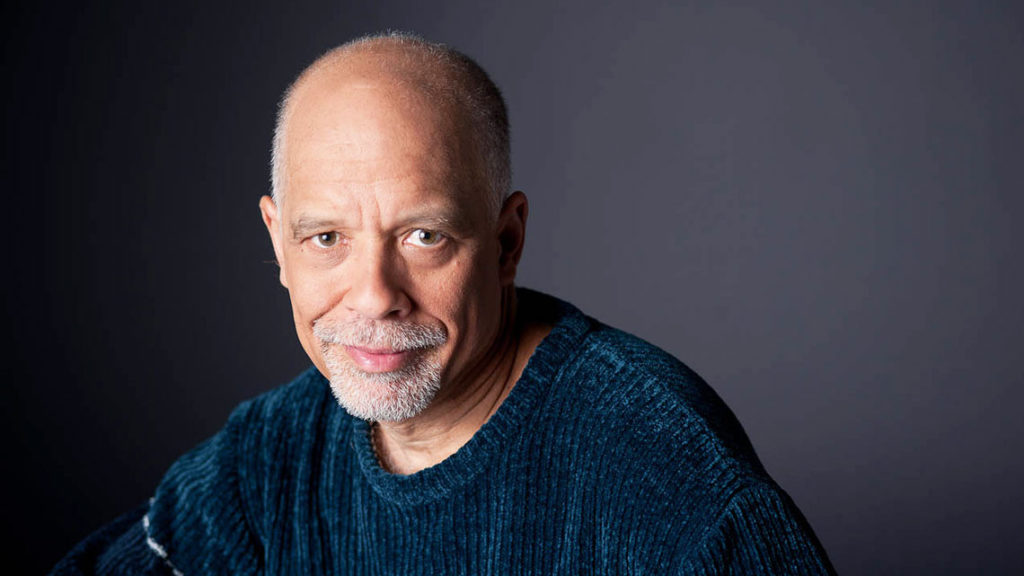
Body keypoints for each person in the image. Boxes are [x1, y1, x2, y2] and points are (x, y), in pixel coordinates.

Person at [53, 32, 835, 575]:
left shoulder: (660, 473)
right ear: (277, 242)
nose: (374, 296)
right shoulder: (270, 461)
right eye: (325, 237)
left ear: (505, 242)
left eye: (424, 236)